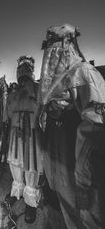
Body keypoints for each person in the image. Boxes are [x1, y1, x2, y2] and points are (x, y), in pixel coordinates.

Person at [38, 23, 105, 228]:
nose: (51, 56)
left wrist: (85, 178)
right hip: (58, 161)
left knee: (84, 216)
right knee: (66, 211)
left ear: (68, 45)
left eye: (55, 49)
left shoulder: (84, 73)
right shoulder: (52, 84)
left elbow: (95, 128)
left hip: (77, 165)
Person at [6, 55, 43, 224]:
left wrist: (31, 93)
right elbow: (8, 113)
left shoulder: (37, 88)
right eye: (20, 72)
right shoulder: (13, 92)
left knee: (31, 166)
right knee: (15, 163)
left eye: (25, 71)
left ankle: (30, 202)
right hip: (15, 131)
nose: (22, 74)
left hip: (31, 131)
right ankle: (17, 192)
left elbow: (41, 108)